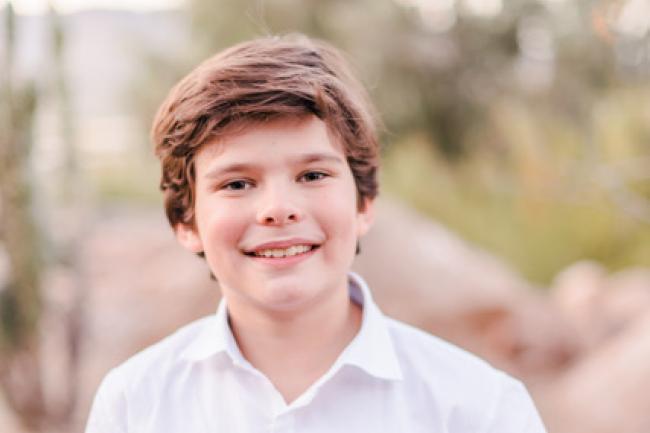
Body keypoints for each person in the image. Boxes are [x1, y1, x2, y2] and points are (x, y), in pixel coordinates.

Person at [85, 34, 547, 432]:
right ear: (186, 223)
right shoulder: (134, 405)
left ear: (364, 202)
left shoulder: (478, 409)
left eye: (312, 176)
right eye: (237, 183)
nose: (279, 210)